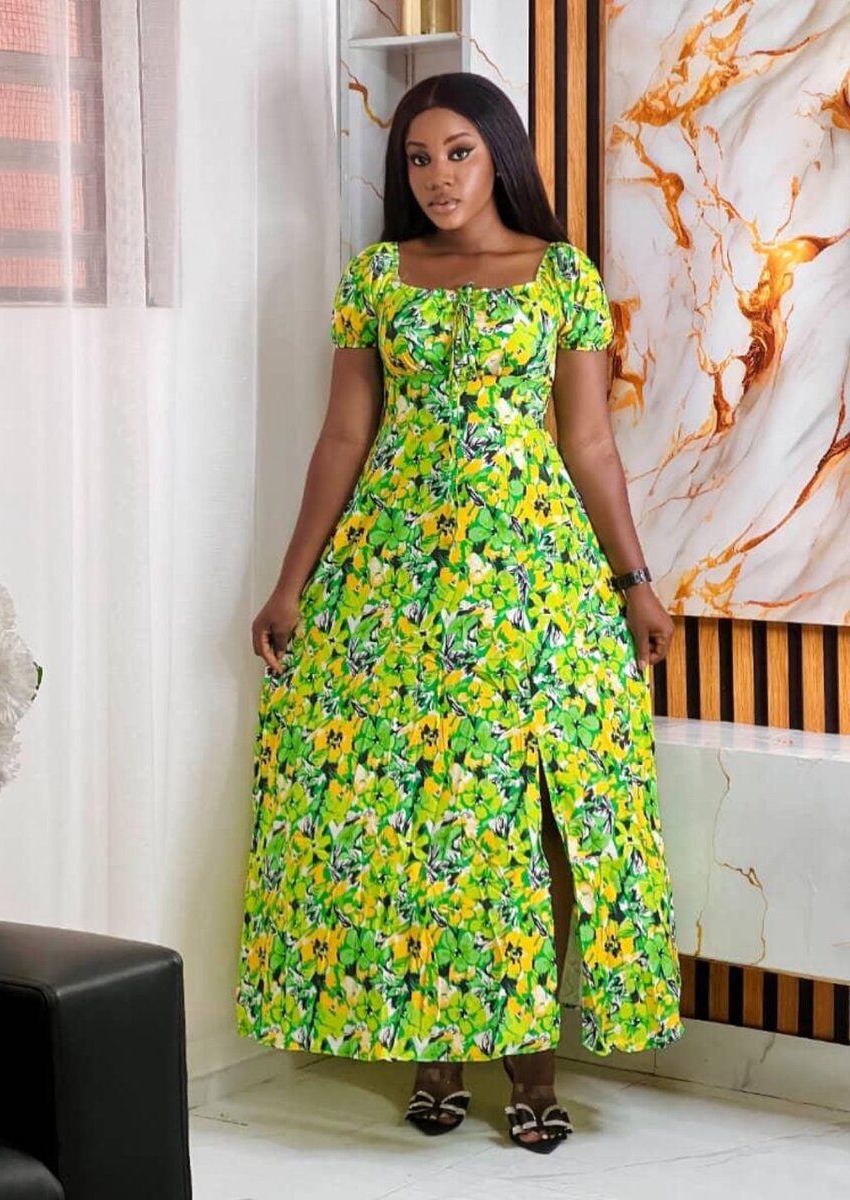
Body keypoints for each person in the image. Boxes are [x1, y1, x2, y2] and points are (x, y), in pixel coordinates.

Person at [236, 72, 682, 1154]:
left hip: (536, 580)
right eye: (418, 158)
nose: (437, 176)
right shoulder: (376, 278)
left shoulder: (562, 276)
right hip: (392, 583)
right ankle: (433, 1050)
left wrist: (634, 580)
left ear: (499, 156)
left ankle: (532, 1062)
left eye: (458, 153)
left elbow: (588, 442)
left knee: (544, 813)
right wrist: (290, 582)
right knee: (409, 807)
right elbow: (344, 436)